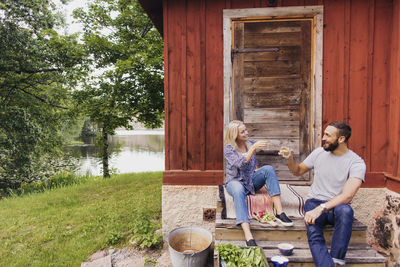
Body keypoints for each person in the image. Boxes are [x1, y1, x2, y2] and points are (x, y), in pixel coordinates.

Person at [278, 121, 366, 267]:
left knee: (346, 210)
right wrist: (289, 160)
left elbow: (347, 196)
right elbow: (298, 171)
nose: (323, 138)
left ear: (341, 139)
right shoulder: (319, 153)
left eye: (328, 135)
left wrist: (321, 208)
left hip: (337, 206)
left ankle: (337, 261)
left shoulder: (356, 163)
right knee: (314, 234)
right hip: (314, 202)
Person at [224, 120, 293, 247]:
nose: (247, 133)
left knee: (268, 169)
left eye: (246, 130)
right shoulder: (228, 148)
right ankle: (248, 235)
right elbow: (240, 164)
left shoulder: (250, 143)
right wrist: (254, 148)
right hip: (234, 182)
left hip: (249, 181)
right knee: (239, 190)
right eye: (242, 131)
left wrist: (280, 152)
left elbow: (253, 165)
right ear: (234, 134)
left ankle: (280, 212)